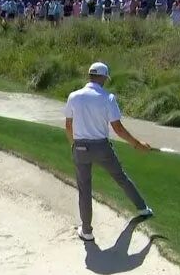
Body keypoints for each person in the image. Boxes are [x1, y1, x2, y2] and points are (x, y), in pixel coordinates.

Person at [65, 62, 154, 241]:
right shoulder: (108, 98)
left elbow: (68, 125)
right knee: (120, 177)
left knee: (84, 188)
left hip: (80, 147)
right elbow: (118, 128)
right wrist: (137, 144)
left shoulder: (74, 96)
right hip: (102, 147)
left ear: (90, 75)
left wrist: (73, 145)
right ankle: (143, 208)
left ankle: (87, 231)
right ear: (103, 77)